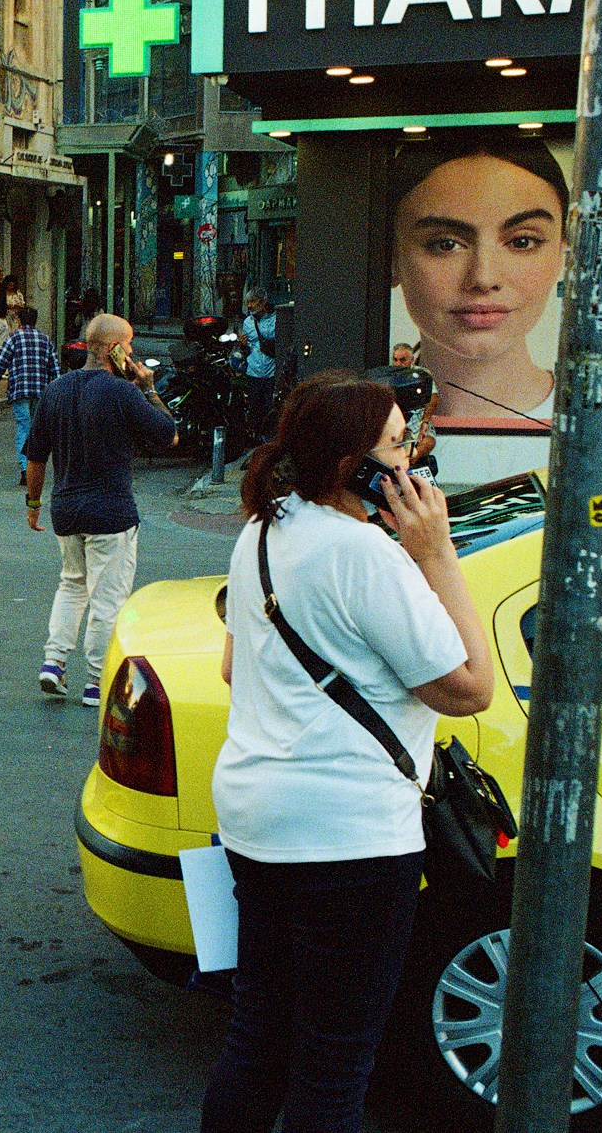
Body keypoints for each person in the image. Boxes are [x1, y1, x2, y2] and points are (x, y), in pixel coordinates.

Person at [201, 373, 493, 1133]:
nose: (411, 461)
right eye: (398, 445)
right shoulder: (367, 554)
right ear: (350, 465)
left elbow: (235, 668)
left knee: (257, 1033)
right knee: (335, 1062)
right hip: (351, 836)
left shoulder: (264, 529)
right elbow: (469, 688)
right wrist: (437, 554)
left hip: (255, 820)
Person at [24, 314, 177, 706]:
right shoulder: (123, 392)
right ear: (114, 349)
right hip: (111, 512)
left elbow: (36, 456)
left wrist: (33, 504)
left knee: (72, 585)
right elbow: (168, 434)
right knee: (107, 600)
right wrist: (149, 388)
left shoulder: (56, 390)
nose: (134, 351)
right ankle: (97, 681)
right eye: (129, 344)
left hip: (66, 510)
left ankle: (53, 663)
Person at [389, 137, 567, 420]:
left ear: (562, 251)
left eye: (522, 242)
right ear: (392, 258)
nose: (484, 279)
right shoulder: (354, 428)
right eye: (446, 245)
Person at [0, 305, 60, 486]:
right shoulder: (45, 340)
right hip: (40, 391)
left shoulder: (13, 338)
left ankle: (24, 469)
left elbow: (1, 360)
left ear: (19, 320)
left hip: (20, 390)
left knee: (23, 427)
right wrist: (56, 390)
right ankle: (35, 467)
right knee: (35, 429)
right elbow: (54, 367)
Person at [239, 290, 279, 432]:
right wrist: (242, 346)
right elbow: (247, 349)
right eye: (247, 302)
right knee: (254, 407)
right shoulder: (248, 322)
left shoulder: (276, 320)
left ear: (263, 302)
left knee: (270, 407)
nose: (249, 306)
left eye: (253, 301)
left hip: (271, 372)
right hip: (253, 371)